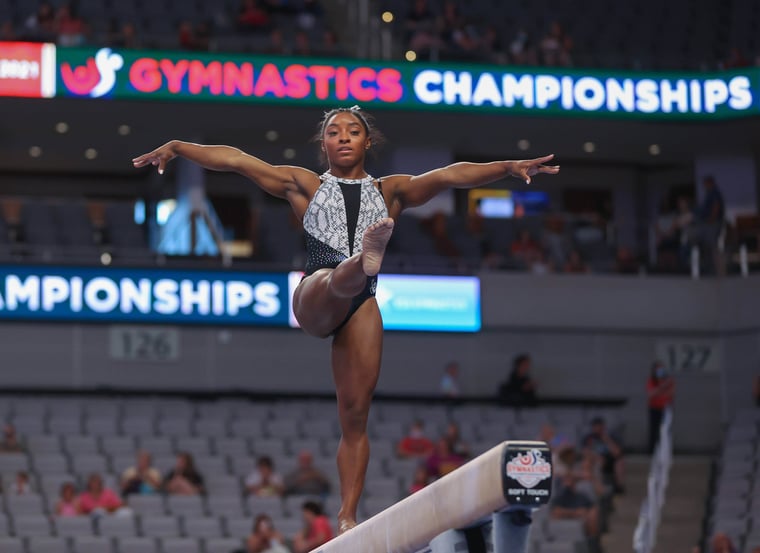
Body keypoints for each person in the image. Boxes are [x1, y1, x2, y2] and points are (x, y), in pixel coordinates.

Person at [132, 105, 559, 532]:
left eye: (353, 131)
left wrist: (507, 166)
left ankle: (347, 516)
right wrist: (179, 148)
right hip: (315, 295)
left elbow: (448, 175)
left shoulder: (391, 190)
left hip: (361, 305)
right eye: (334, 132)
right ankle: (358, 264)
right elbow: (238, 160)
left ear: (366, 141)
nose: (343, 137)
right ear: (324, 144)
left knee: (355, 415)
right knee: (336, 279)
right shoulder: (304, 184)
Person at [582, 417, 625, 494]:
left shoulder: (611, 436)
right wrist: (596, 457)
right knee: (597, 462)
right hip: (595, 460)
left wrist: (607, 440)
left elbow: (617, 453)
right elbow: (585, 452)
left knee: (620, 462)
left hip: (610, 461)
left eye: (600, 426)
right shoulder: (589, 438)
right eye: (595, 426)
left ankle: (619, 486)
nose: (598, 428)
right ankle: (600, 488)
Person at [646, 361, 675, 453]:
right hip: (654, 408)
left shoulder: (670, 381)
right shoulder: (651, 380)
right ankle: (652, 451)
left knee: (665, 431)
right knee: (654, 430)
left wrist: (659, 392)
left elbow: (671, 395)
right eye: (658, 368)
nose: (660, 370)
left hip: (665, 409)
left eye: (661, 368)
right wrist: (662, 387)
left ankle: (665, 451)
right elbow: (651, 394)